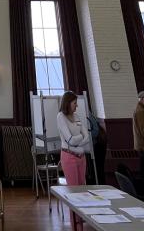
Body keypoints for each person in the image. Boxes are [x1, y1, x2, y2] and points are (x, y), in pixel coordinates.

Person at [57, 91, 91, 231]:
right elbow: (69, 139)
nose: (76, 106)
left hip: (81, 158)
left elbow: (86, 136)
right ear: (67, 103)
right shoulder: (60, 117)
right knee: (73, 193)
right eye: (74, 103)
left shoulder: (76, 116)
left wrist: (76, 141)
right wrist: (78, 139)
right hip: (69, 157)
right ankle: (75, 226)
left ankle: (81, 222)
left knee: (82, 191)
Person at [85, 109, 107, 185]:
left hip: (96, 147)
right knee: (95, 171)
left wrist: (84, 136)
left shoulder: (87, 113)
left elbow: (96, 131)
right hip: (91, 147)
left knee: (98, 171)